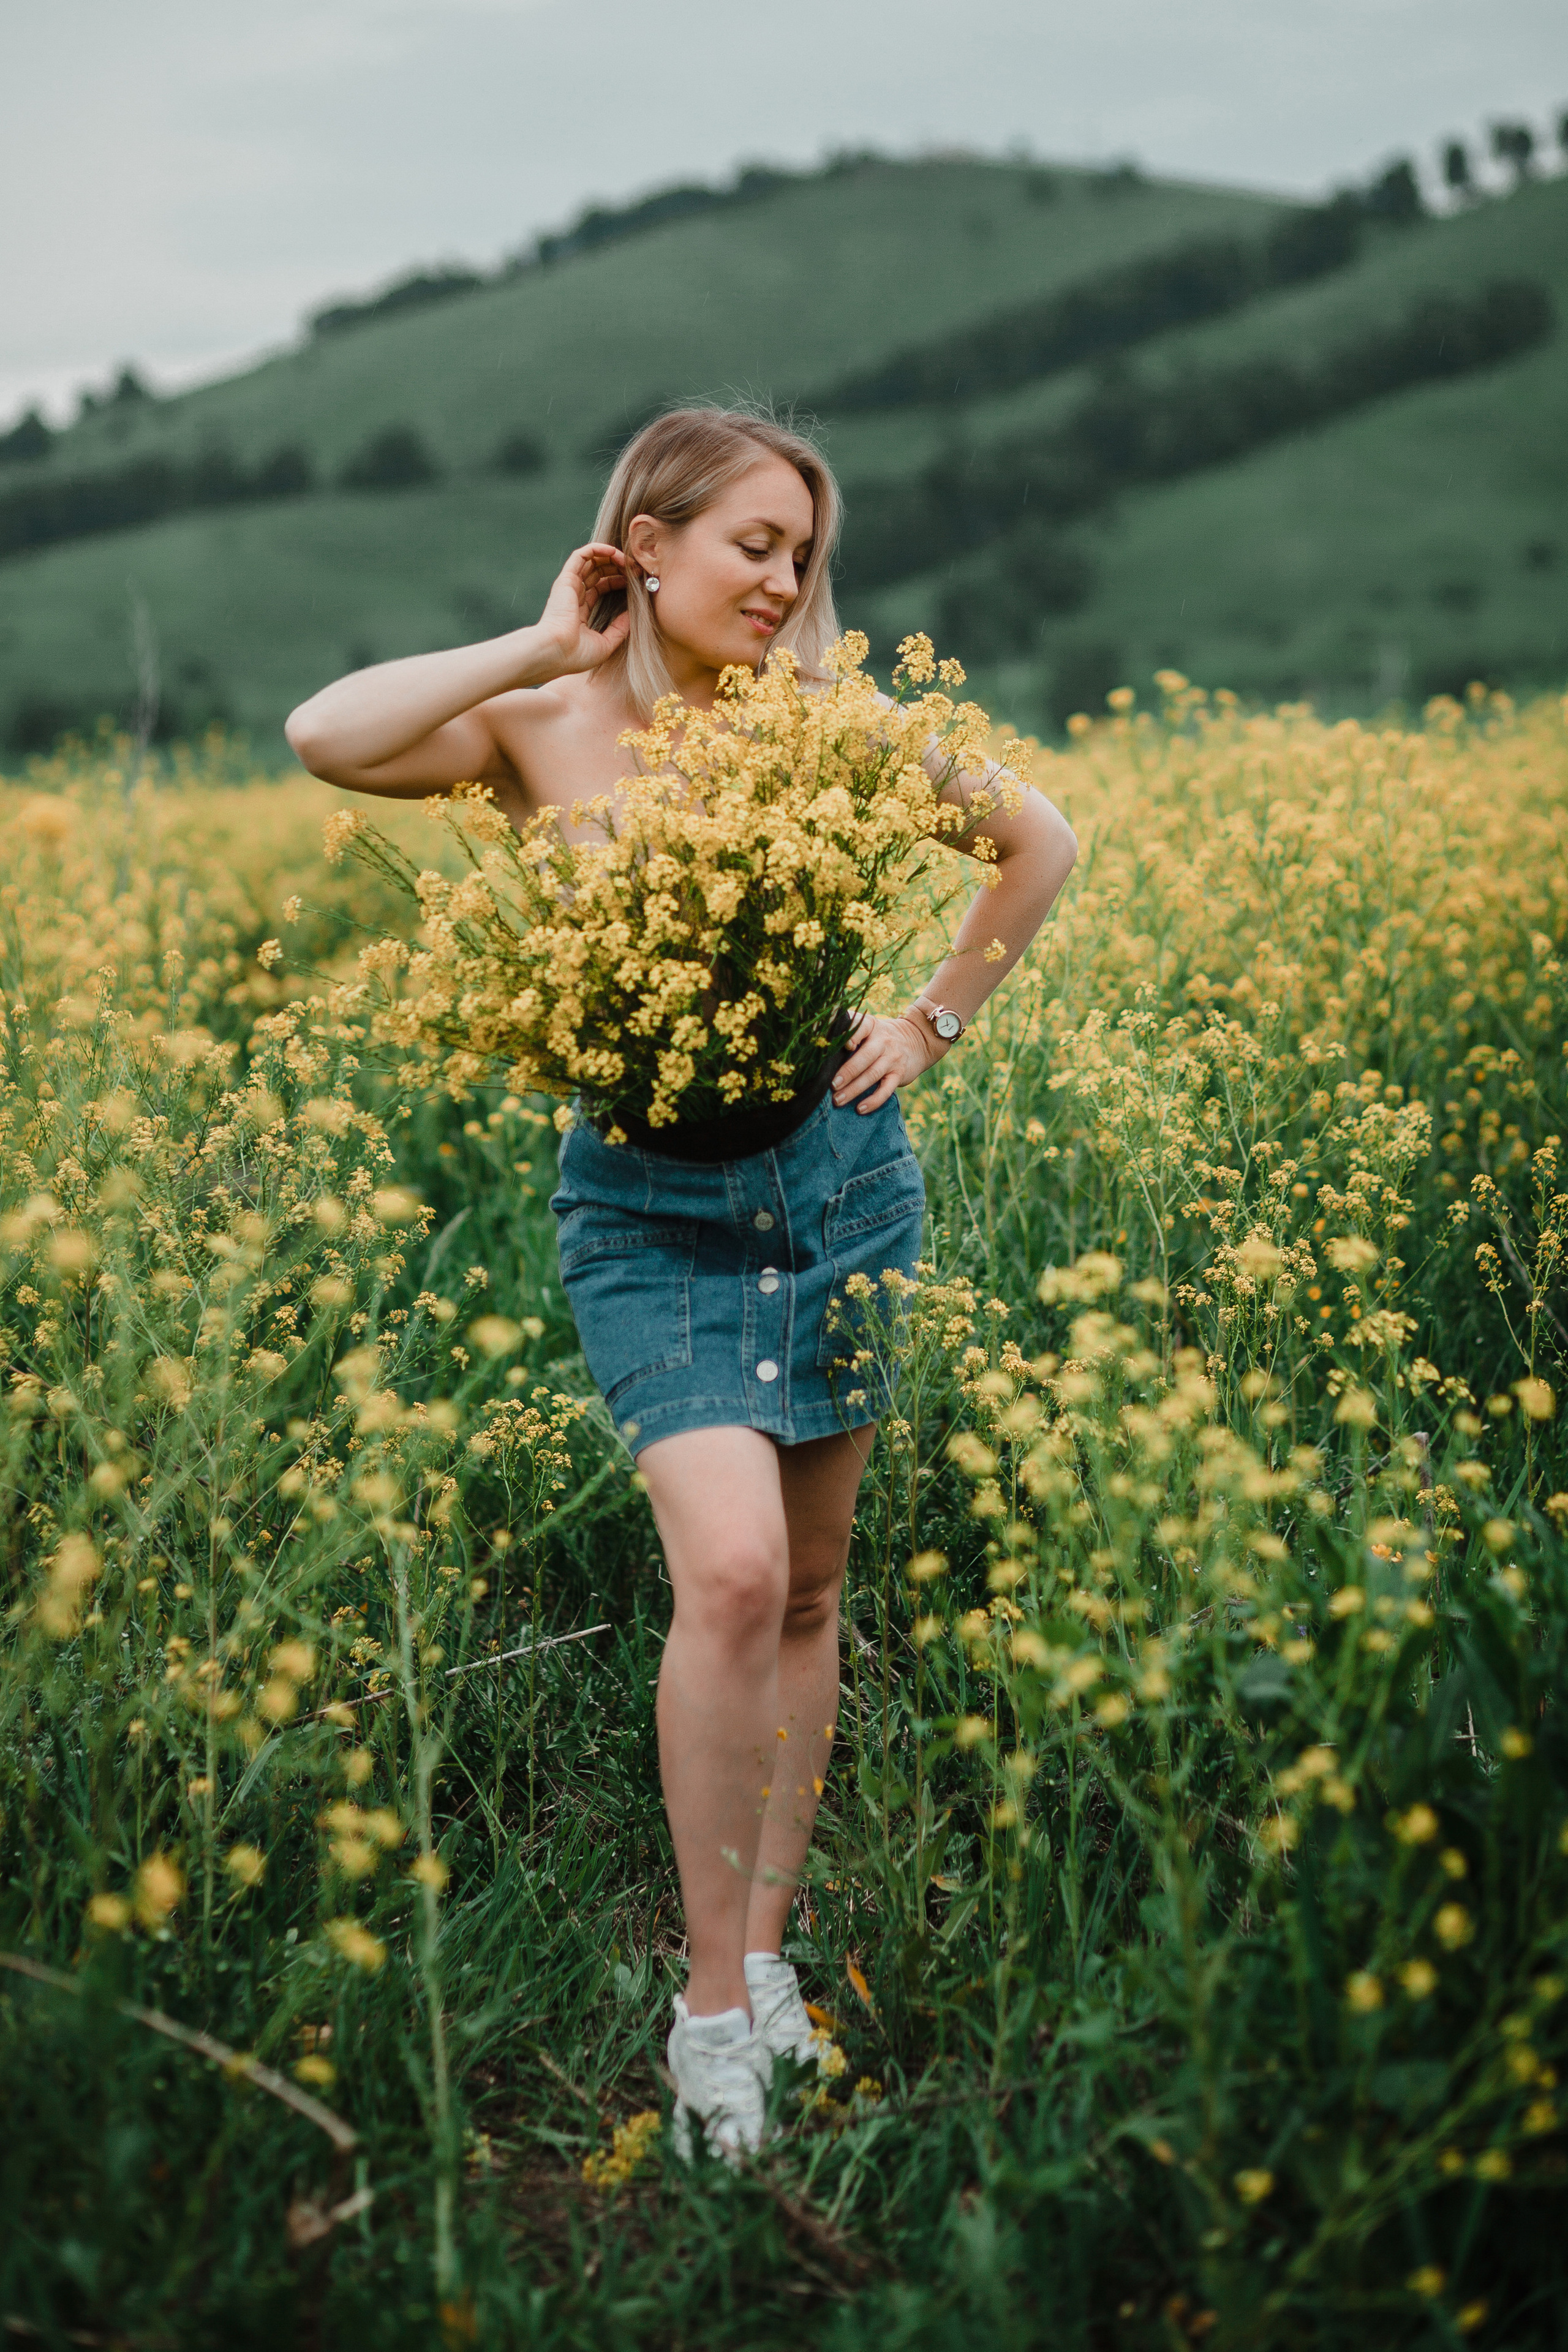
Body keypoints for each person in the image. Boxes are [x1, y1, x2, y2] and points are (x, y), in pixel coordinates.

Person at [286, 405, 1078, 2160]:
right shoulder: (538, 726)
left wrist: (931, 1021)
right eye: (756, 545)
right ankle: (711, 2010)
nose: (787, 580)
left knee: (808, 1592)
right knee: (727, 1574)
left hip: (839, 1184)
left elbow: (1043, 840)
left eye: (805, 553)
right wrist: (551, 634)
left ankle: (772, 1964)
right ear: (644, 542)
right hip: (641, 1206)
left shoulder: (825, 733)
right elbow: (325, 734)